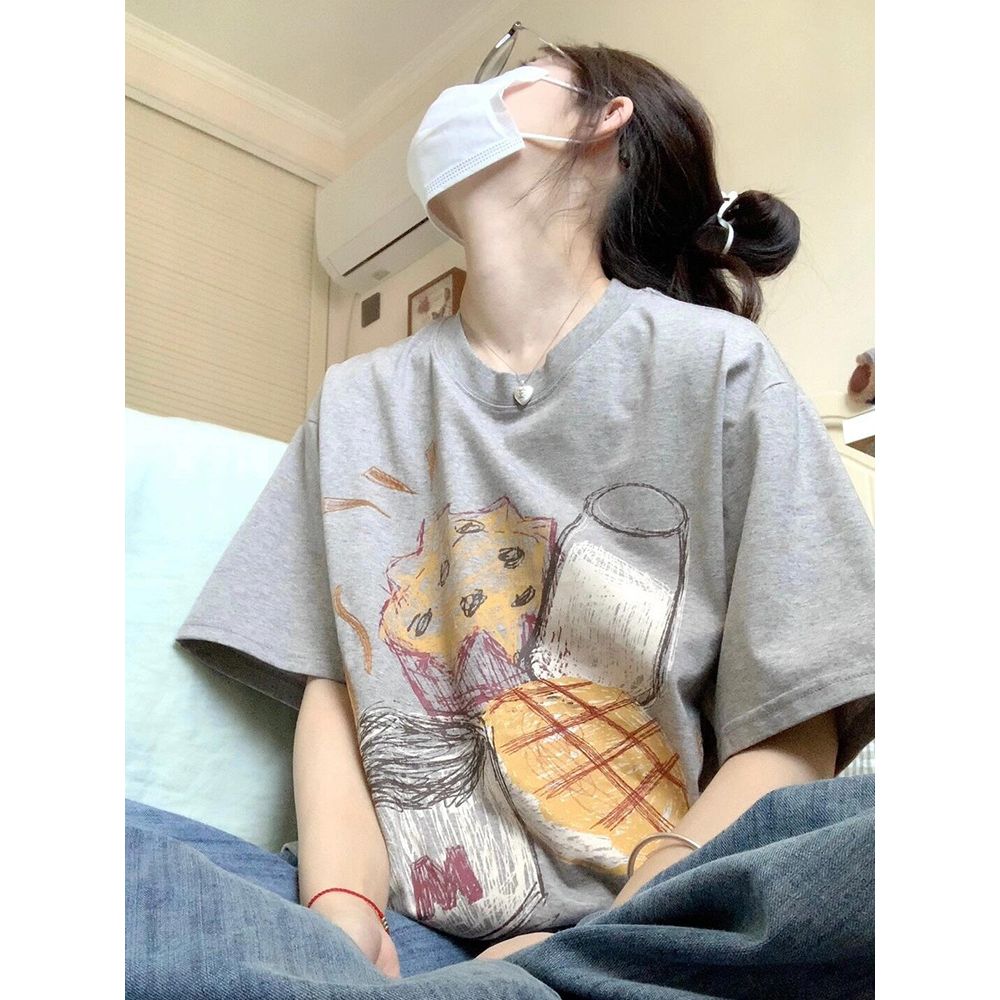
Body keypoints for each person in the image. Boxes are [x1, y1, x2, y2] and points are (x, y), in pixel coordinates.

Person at [126, 28, 874, 996]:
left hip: (656, 924)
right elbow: (335, 692)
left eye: (519, 80)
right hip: (402, 931)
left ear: (605, 124)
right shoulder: (356, 400)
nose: (464, 102)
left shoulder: (720, 368)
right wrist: (342, 912)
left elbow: (795, 725)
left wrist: (625, 919)